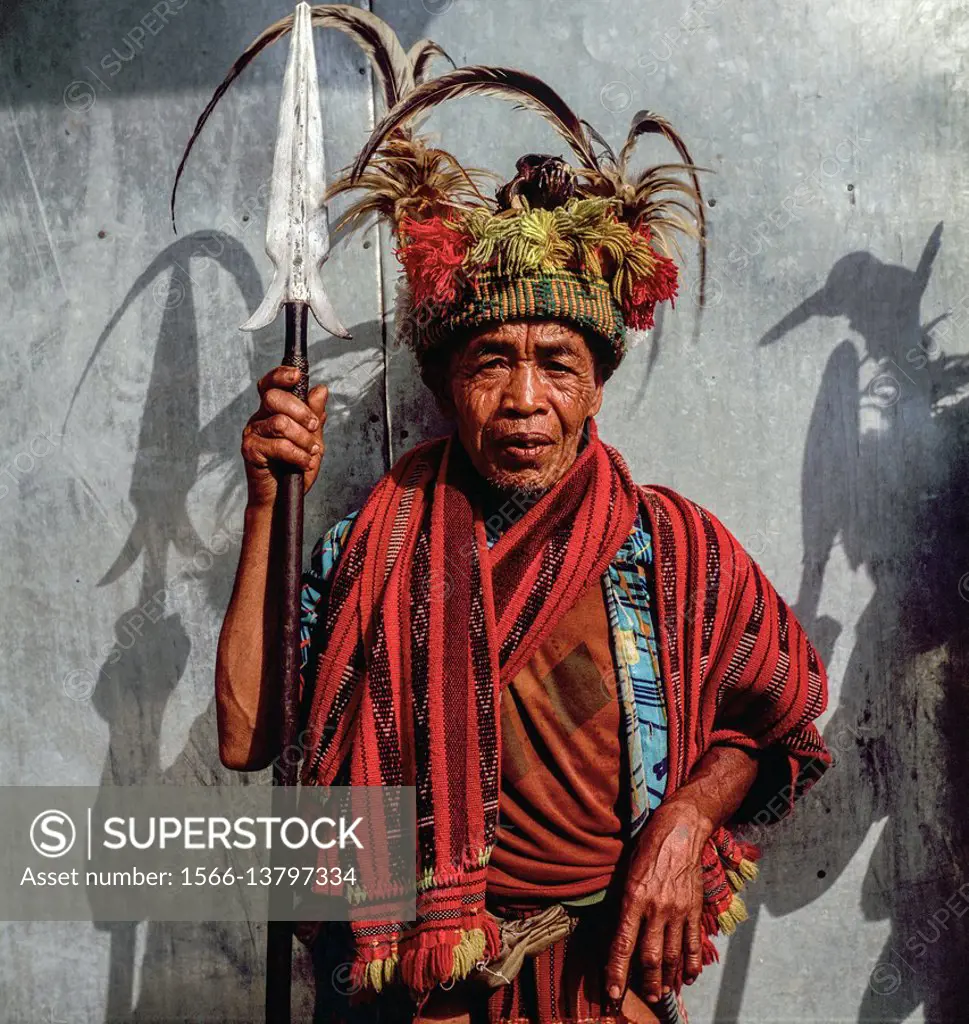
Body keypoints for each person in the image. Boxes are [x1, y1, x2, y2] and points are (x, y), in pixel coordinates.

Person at [214, 60, 832, 1024]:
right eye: (490, 361)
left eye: (556, 363)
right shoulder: (373, 552)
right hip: (415, 987)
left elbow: (770, 721)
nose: (522, 401)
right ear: (446, 380)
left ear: (595, 384)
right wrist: (264, 505)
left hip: (600, 978)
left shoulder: (669, 553)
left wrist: (688, 815)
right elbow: (249, 736)